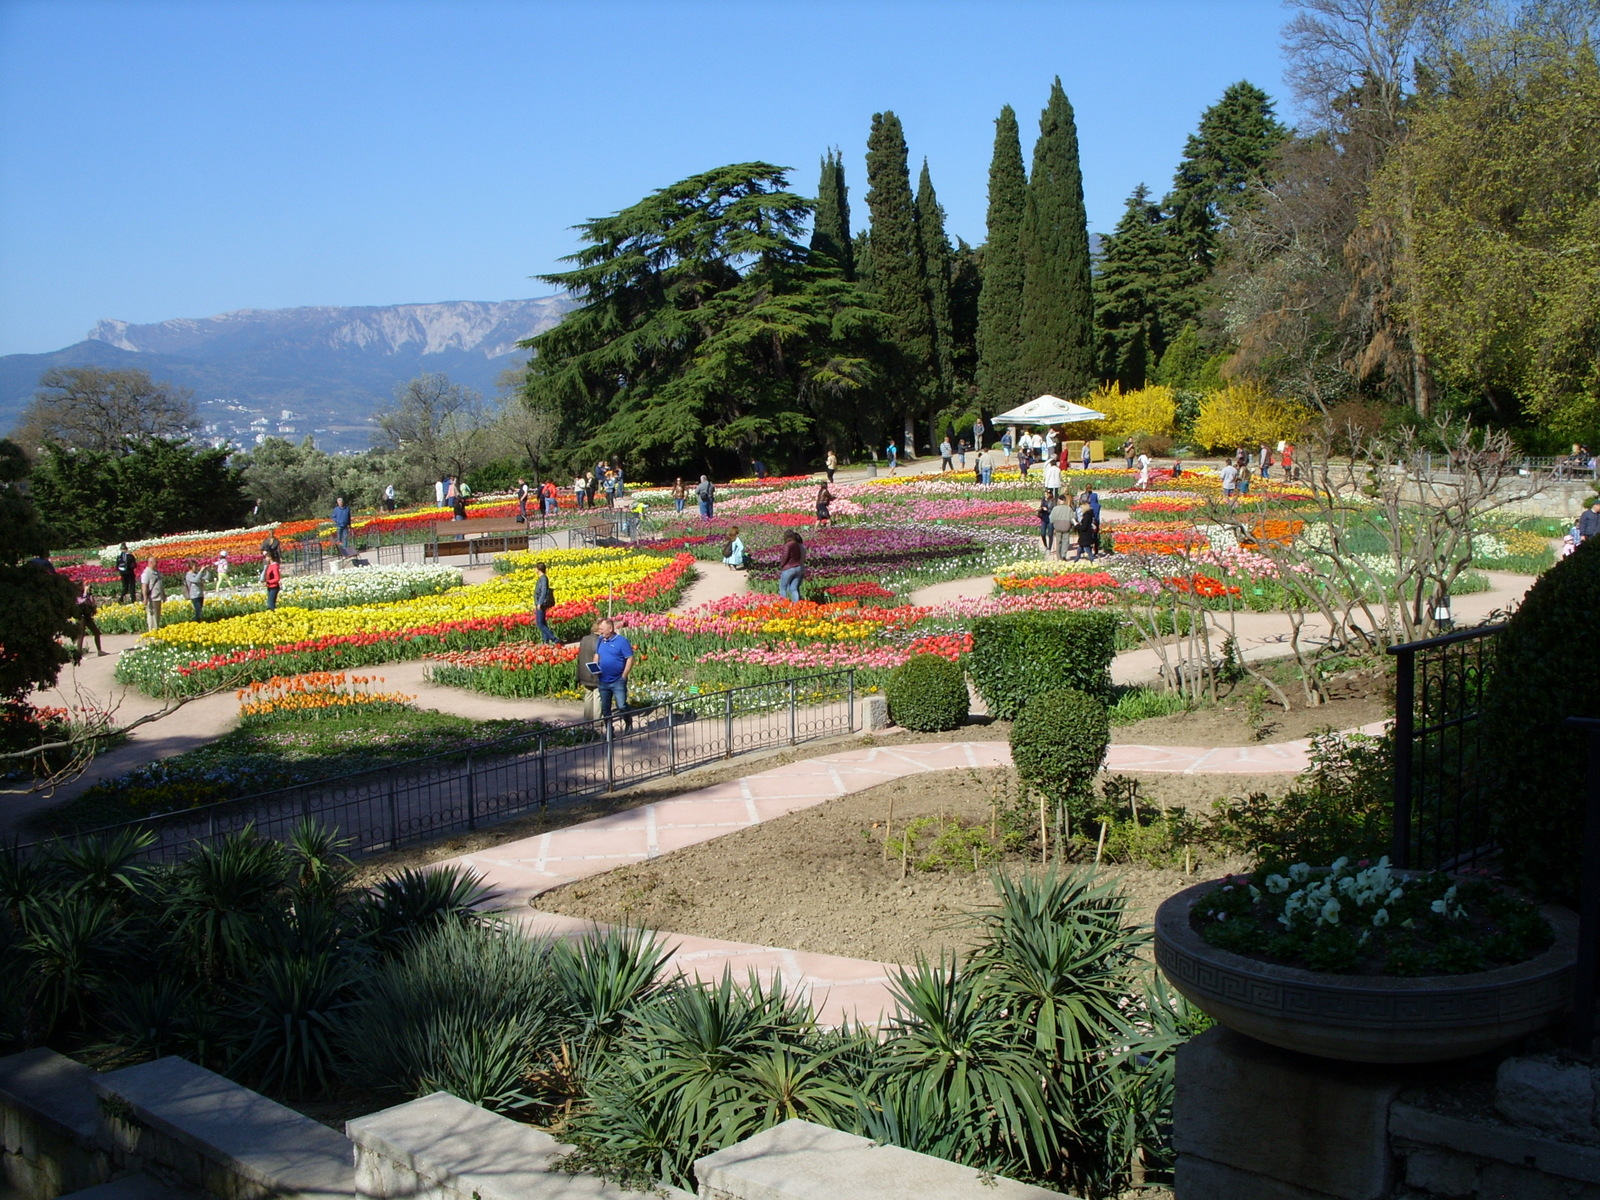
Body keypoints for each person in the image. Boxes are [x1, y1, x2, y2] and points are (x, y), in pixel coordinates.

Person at [589, 617, 634, 731]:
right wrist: (594, 665)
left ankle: (628, 722)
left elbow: (630, 658)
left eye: (602, 629)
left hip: (618, 680)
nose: (600, 631)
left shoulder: (621, 641)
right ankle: (609, 731)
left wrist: (624, 676)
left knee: (621, 705)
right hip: (603, 680)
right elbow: (597, 655)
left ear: (610, 628)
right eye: (599, 629)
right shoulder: (600, 640)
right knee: (605, 709)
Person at [74, 581, 105, 657]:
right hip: (81, 616)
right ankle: (79, 655)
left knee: (96, 632)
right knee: (81, 635)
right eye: (82, 585)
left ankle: (100, 651)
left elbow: (90, 601)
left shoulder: (85, 593)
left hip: (87, 615)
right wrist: (85, 592)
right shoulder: (75, 595)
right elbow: (81, 602)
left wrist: (90, 597)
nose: (84, 586)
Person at [533, 562, 559, 644]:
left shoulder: (543, 578)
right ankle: (546, 641)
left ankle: (554, 638)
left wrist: (539, 603)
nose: (534, 570)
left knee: (540, 623)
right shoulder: (541, 578)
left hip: (541, 604)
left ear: (539, 569)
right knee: (543, 622)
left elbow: (544, 591)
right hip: (539, 603)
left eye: (535, 568)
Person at [777, 529, 806, 602]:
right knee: (794, 588)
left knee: (783, 588)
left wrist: (781, 565)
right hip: (798, 567)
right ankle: (796, 605)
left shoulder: (788, 545)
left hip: (789, 568)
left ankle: (784, 604)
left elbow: (785, 557)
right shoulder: (798, 545)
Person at [140, 559, 165, 632]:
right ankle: (152, 631)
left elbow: (160, 584)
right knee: (152, 615)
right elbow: (144, 586)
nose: (157, 563)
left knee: (157, 614)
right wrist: (145, 597)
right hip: (152, 597)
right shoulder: (146, 573)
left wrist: (163, 594)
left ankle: (156, 628)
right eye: (155, 562)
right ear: (150, 563)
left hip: (158, 596)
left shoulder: (156, 572)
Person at [1049, 496, 1076, 561]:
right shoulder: (1069, 509)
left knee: (1058, 542)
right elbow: (1072, 518)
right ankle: (1063, 555)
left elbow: (1051, 519)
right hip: (1066, 526)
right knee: (1065, 541)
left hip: (1057, 527)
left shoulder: (1055, 509)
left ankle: (1059, 557)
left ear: (1059, 500)